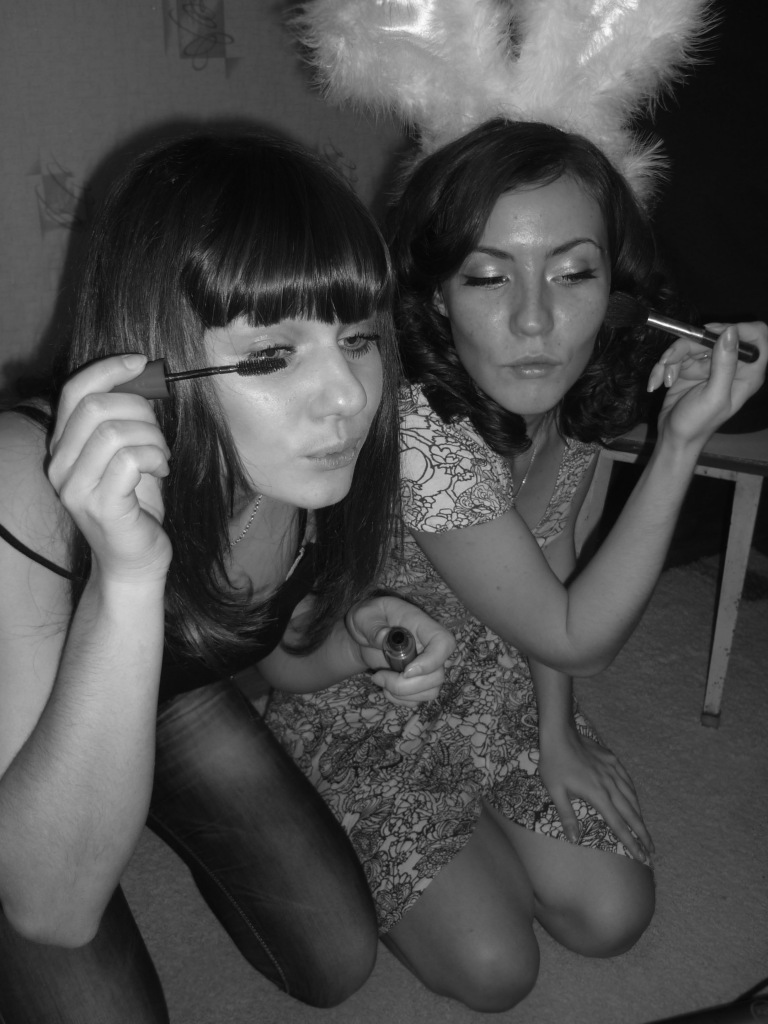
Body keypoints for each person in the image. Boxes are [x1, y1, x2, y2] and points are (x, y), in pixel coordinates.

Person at [266, 119, 768, 1012]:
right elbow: (578, 635)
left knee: (611, 916)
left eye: (573, 274)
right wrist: (679, 445)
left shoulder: (573, 385)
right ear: (434, 295)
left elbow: (556, 554)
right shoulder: (424, 434)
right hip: (362, 689)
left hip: (492, 668)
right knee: (497, 968)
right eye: (488, 276)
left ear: (619, 291)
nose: (536, 321)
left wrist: (555, 732)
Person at [0, 129, 455, 1022]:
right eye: (271, 355)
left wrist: (355, 636)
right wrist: (127, 579)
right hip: (18, 734)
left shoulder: (296, 462)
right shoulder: (26, 486)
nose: (348, 397)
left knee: (340, 955)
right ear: (153, 364)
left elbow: (265, 647)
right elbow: (51, 909)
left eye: (357, 338)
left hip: (167, 698)